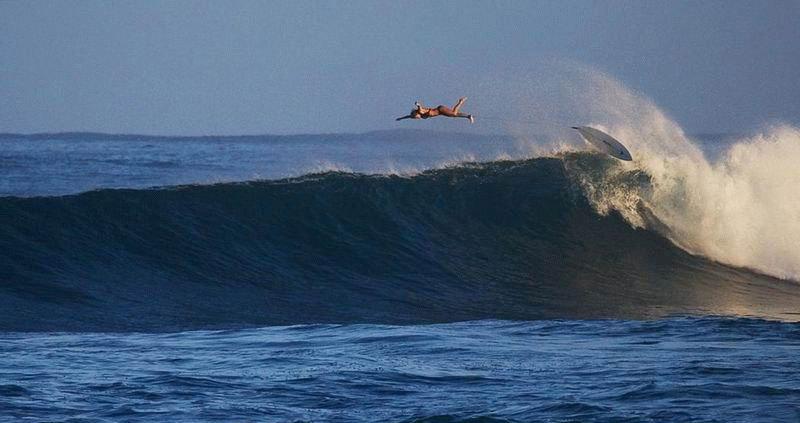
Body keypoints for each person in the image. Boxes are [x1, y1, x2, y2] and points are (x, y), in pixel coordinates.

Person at [396, 97, 474, 123]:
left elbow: (420, 108)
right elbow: (408, 116)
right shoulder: (415, 115)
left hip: (441, 110)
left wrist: (418, 105)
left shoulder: (420, 111)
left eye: (416, 117)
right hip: (440, 111)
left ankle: (461, 102)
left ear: (417, 114)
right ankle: (468, 116)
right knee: (455, 114)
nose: (416, 119)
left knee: (454, 114)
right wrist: (400, 118)